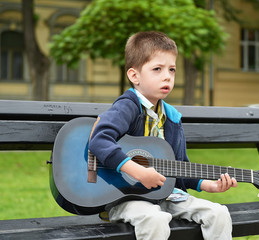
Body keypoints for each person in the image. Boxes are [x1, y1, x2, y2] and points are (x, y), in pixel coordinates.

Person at [88, 31, 238, 240]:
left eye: (172, 69)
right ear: (134, 76)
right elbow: (99, 140)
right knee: (155, 218)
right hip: (124, 196)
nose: (167, 76)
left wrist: (209, 185)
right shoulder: (127, 107)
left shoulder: (172, 118)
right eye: (157, 69)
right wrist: (138, 171)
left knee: (219, 213)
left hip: (165, 194)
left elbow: (180, 168)